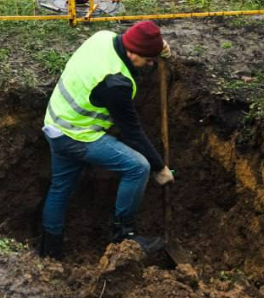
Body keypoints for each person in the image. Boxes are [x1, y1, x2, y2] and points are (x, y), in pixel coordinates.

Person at [40, 21, 175, 260]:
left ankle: (49, 253)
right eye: (148, 61)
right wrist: (159, 168)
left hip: (56, 123)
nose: (151, 65)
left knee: (60, 188)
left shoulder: (103, 37)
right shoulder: (116, 83)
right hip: (77, 136)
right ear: (133, 52)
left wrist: (156, 48)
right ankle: (123, 235)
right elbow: (132, 132)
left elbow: (139, 47)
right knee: (137, 167)